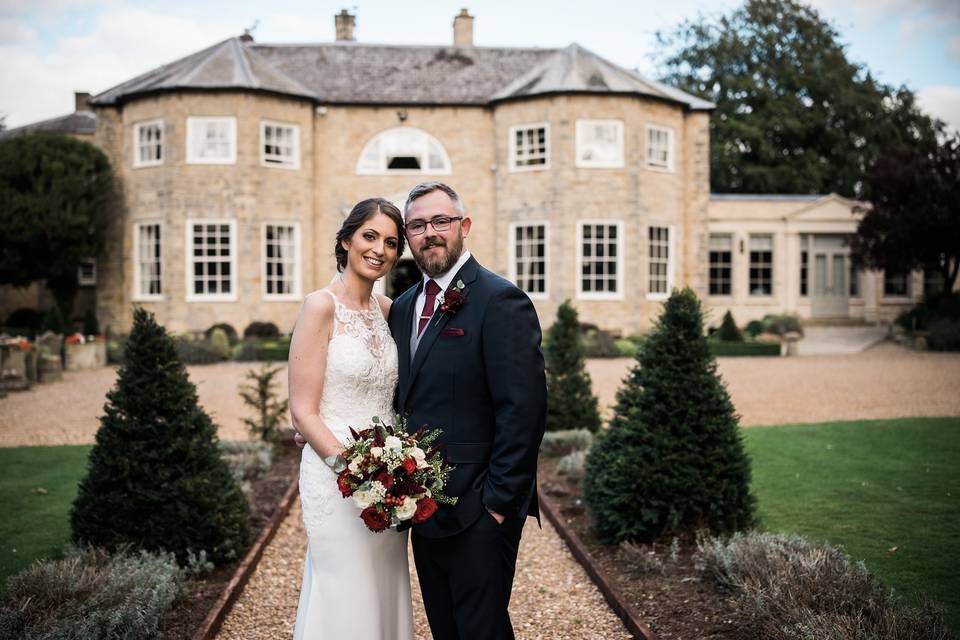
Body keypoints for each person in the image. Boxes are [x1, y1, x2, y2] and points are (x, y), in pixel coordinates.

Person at [388, 182, 546, 640]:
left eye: (440, 221)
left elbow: (524, 410)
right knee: (446, 629)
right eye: (417, 225)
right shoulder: (402, 307)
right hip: (423, 506)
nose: (429, 233)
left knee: (482, 630)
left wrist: (497, 504)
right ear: (407, 236)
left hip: (480, 506)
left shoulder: (500, 300)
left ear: (464, 226)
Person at [287, 198, 414, 640]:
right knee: (345, 589)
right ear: (346, 240)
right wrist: (355, 473)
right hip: (336, 475)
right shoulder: (319, 306)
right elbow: (303, 410)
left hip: (394, 481)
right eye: (370, 236)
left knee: (382, 586)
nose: (380, 249)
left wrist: (397, 476)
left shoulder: (389, 311)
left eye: (391, 242)